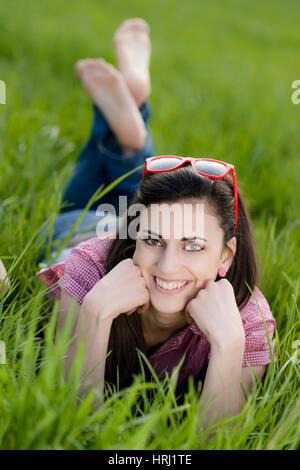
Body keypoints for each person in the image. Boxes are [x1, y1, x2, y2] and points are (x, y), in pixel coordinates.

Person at [37, 19, 276, 428]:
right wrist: (95, 312)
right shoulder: (87, 270)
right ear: (136, 237)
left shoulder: (248, 321)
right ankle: (132, 126)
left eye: (194, 246)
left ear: (227, 254)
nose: (166, 266)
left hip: (122, 219)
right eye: (153, 241)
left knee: (144, 189)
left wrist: (229, 344)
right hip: (79, 230)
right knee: (93, 202)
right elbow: (69, 420)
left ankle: (130, 126)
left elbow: (214, 440)